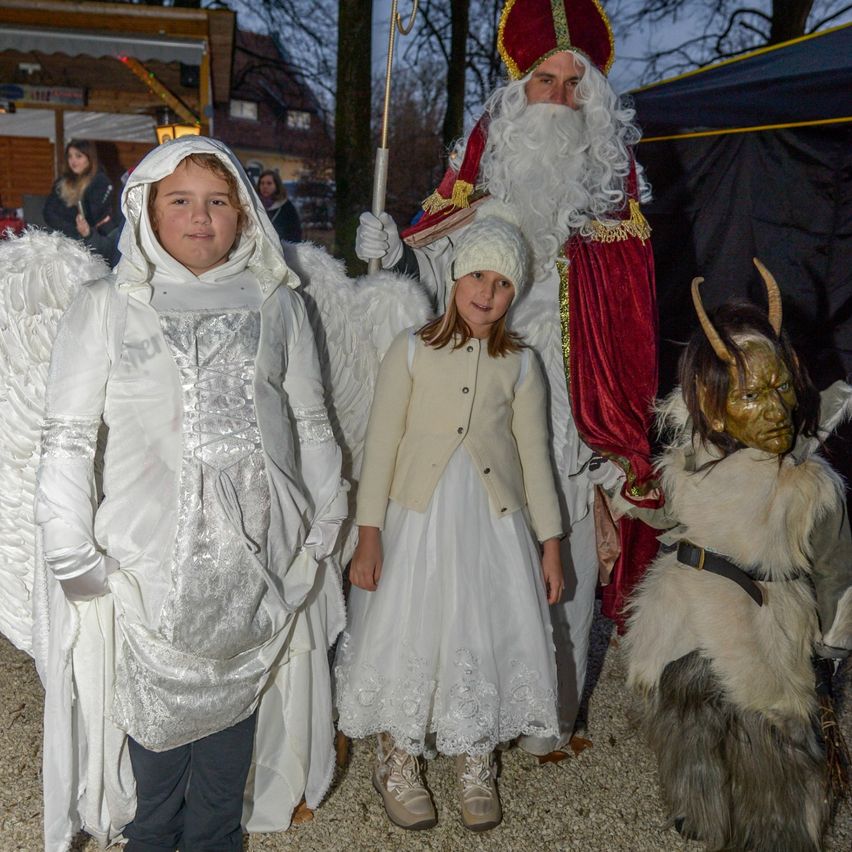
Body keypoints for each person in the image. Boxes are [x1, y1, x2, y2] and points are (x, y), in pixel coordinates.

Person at [354, 0, 660, 757]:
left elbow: (633, 325)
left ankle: (541, 719)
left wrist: (616, 426)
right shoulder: (479, 195)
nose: (557, 98)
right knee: (481, 559)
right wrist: (395, 253)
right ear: (515, 96)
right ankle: (468, 714)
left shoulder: (614, 217)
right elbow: (433, 276)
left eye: (571, 85)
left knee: (566, 567)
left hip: (571, 420)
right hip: (482, 411)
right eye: (543, 81)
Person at [35, 136, 347, 852]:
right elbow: (68, 437)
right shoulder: (107, 306)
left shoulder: (278, 305)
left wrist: (328, 510)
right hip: (149, 561)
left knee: (233, 712)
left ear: (243, 214)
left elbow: (311, 417)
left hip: (254, 561)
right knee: (156, 722)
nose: (200, 219)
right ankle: (152, 833)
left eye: (217, 203)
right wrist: (67, 547)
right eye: (180, 202)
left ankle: (214, 835)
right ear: (147, 207)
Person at [335, 209, 564, 832]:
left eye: (503, 284)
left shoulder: (521, 364)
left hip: (491, 526)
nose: (487, 293)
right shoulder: (409, 351)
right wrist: (370, 532)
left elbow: (535, 458)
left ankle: (474, 756)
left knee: (479, 630)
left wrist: (549, 544)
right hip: (416, 520)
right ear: (456, 275)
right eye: (478, 277)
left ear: (515, 294)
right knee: (408, 629)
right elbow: (379, 447)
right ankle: (398, 758)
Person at [623, 261, 852, 850]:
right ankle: (700, 809)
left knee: (768, 751)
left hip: (760, 629)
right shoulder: (692, 461)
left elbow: (837, 574)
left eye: (779, 389)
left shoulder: (809, 486)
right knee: (686, 724)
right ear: (713, 401)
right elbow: (676, 518)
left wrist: (828, 654)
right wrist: (634, 499)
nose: (774, 410)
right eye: (753, 395)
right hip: (681, 619)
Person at [43, 139, 114, 241]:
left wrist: (62, 213)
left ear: (89, 158)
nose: (73, 161)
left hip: (95, 241)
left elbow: (91, 217)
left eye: (78, 156)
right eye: (70, 156)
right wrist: (73, 227)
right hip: (65, 238)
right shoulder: (62, 182)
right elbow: (48, 213)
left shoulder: (101, 182)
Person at [257, 169, 303, 243]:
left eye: (269, 183)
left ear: (276, 186)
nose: (265, 186)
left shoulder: (286, 207)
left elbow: (295, 232)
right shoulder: (255, 205)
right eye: (262, 183)